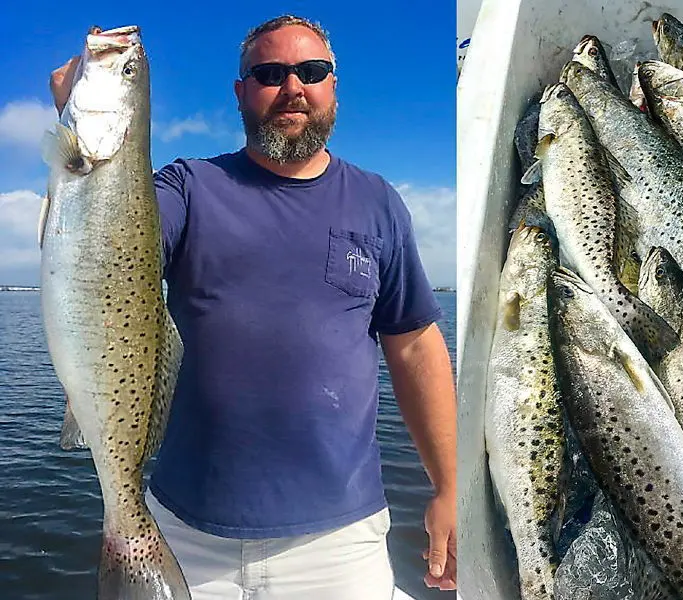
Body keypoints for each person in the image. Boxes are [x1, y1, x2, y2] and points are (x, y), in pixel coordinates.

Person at [50, 15, 457, 599]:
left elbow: (415, 344)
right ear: (241, 92)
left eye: (311, 71)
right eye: (269, 73)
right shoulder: (187, 187)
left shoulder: (378, 202)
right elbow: (102, 245)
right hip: (183, 532)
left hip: (339, 543)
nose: (292, 87)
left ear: (333, 86)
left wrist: (447, 486)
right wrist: (80, 128)